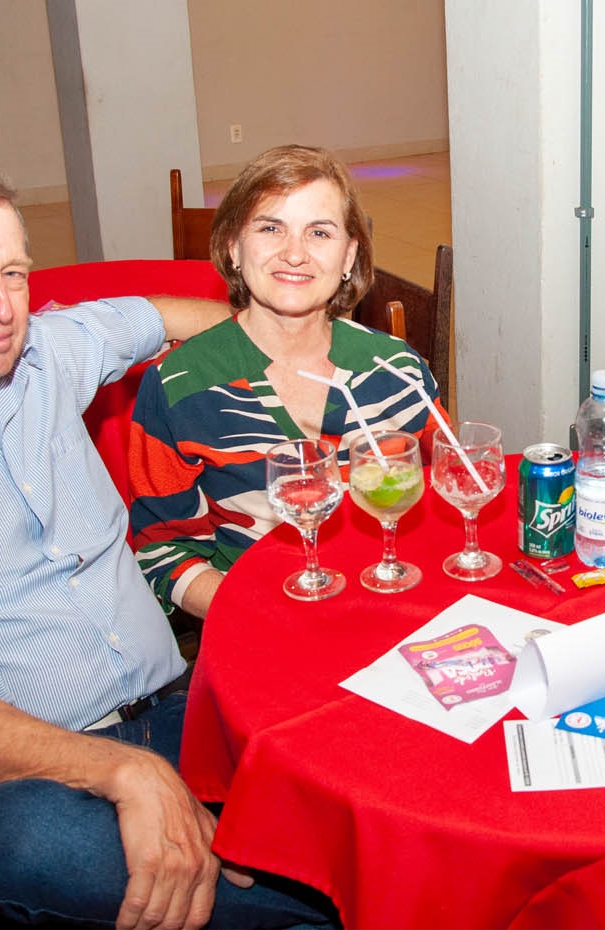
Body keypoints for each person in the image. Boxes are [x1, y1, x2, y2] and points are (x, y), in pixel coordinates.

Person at [0, 163, 338, 929]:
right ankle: (332, 905)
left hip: (184, 702)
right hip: (24, 778)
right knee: (28, 845)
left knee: (344, 697)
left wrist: (291, 365)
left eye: (13, 273)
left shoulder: (47, 352)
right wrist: (125, 772)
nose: (0, 307)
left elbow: (166, 315)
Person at [128, 145, 448, 619]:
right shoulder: (179, 384)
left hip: (391, 606)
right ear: (234, 247)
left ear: (349, 255)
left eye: (319, 232)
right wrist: (262, 615)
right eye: (270, 228)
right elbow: (163, 549)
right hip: (256, 613)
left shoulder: (397, 369)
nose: (294, 254)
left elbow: (450, 493)